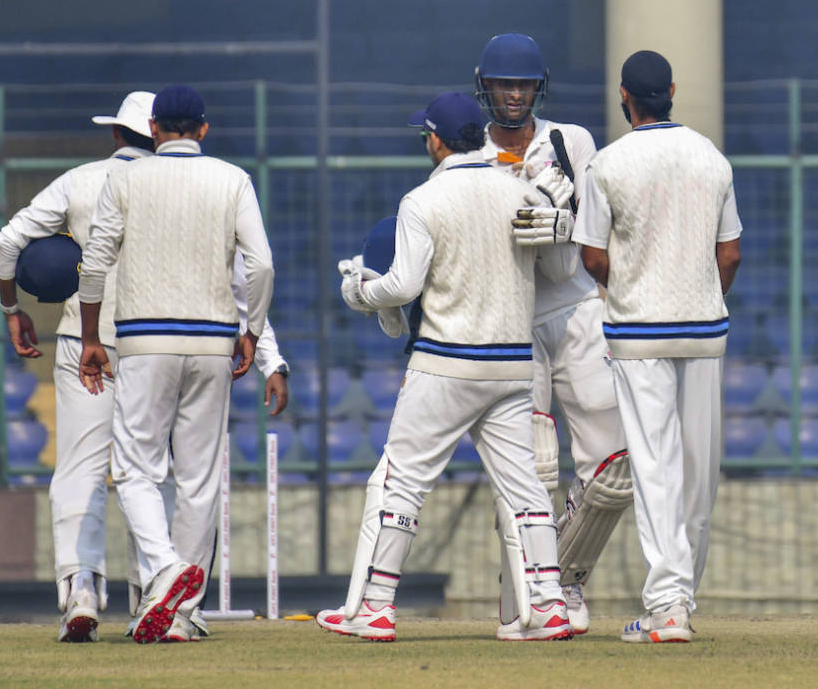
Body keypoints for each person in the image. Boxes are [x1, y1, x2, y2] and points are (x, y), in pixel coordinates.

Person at [0, 91, 287, 643]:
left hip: (103, 343)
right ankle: (172, 607)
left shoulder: (88, 181)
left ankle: (81, 590)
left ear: (125, 133)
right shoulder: (224, 179)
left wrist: (13, 311)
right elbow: (247, 275)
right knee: (184, 478)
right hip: (197, 337)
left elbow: (11, 241)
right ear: (193, 130)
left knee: (88, 470)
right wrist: (262, 344)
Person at [315, 92, 574, 642]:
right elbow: (559, 265)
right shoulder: (520, 190)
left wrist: (360, 292)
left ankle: (378, 607)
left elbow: (403, 286)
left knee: (404, 481)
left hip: (446, 362)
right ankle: (550, 605)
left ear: (435, 140)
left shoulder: (422, 201)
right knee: (525, 487)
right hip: (510, 365)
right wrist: (562, 217)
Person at [78, 84, 275, 644]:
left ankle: (164, 570)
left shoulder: (126, 179)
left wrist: (91, 337)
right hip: (214, 341)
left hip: (144, 341)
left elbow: (94, 265)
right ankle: (183, 614)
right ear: (204, 130)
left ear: (156, 128)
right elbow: (261, 265)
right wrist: (252, 331)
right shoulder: (232, 178)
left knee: (138, 469)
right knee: (198, 478)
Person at [573, 49, 742, 643]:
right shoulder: (711, 157)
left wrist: (635, 290)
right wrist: (699, 295)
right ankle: (679, 600)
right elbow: (731, 254)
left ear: (625, 97)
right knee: (698, 470)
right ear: (671, 88)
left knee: (656, 466)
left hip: (638, 330)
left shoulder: (608, 164)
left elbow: (592, 254)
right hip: (703, 329)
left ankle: (668, 605)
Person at [475, 32, 631, 635]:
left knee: (615, 468)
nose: (514, 95)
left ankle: (558, 582)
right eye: (503, 84)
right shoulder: (468, 152)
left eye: (523, 84)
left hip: (575, 308)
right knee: (534, 468)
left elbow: (595, 227)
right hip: (509, 313)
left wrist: (563, 221)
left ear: (538, 86)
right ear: (484, 86)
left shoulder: (571, 141)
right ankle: (531, 585)